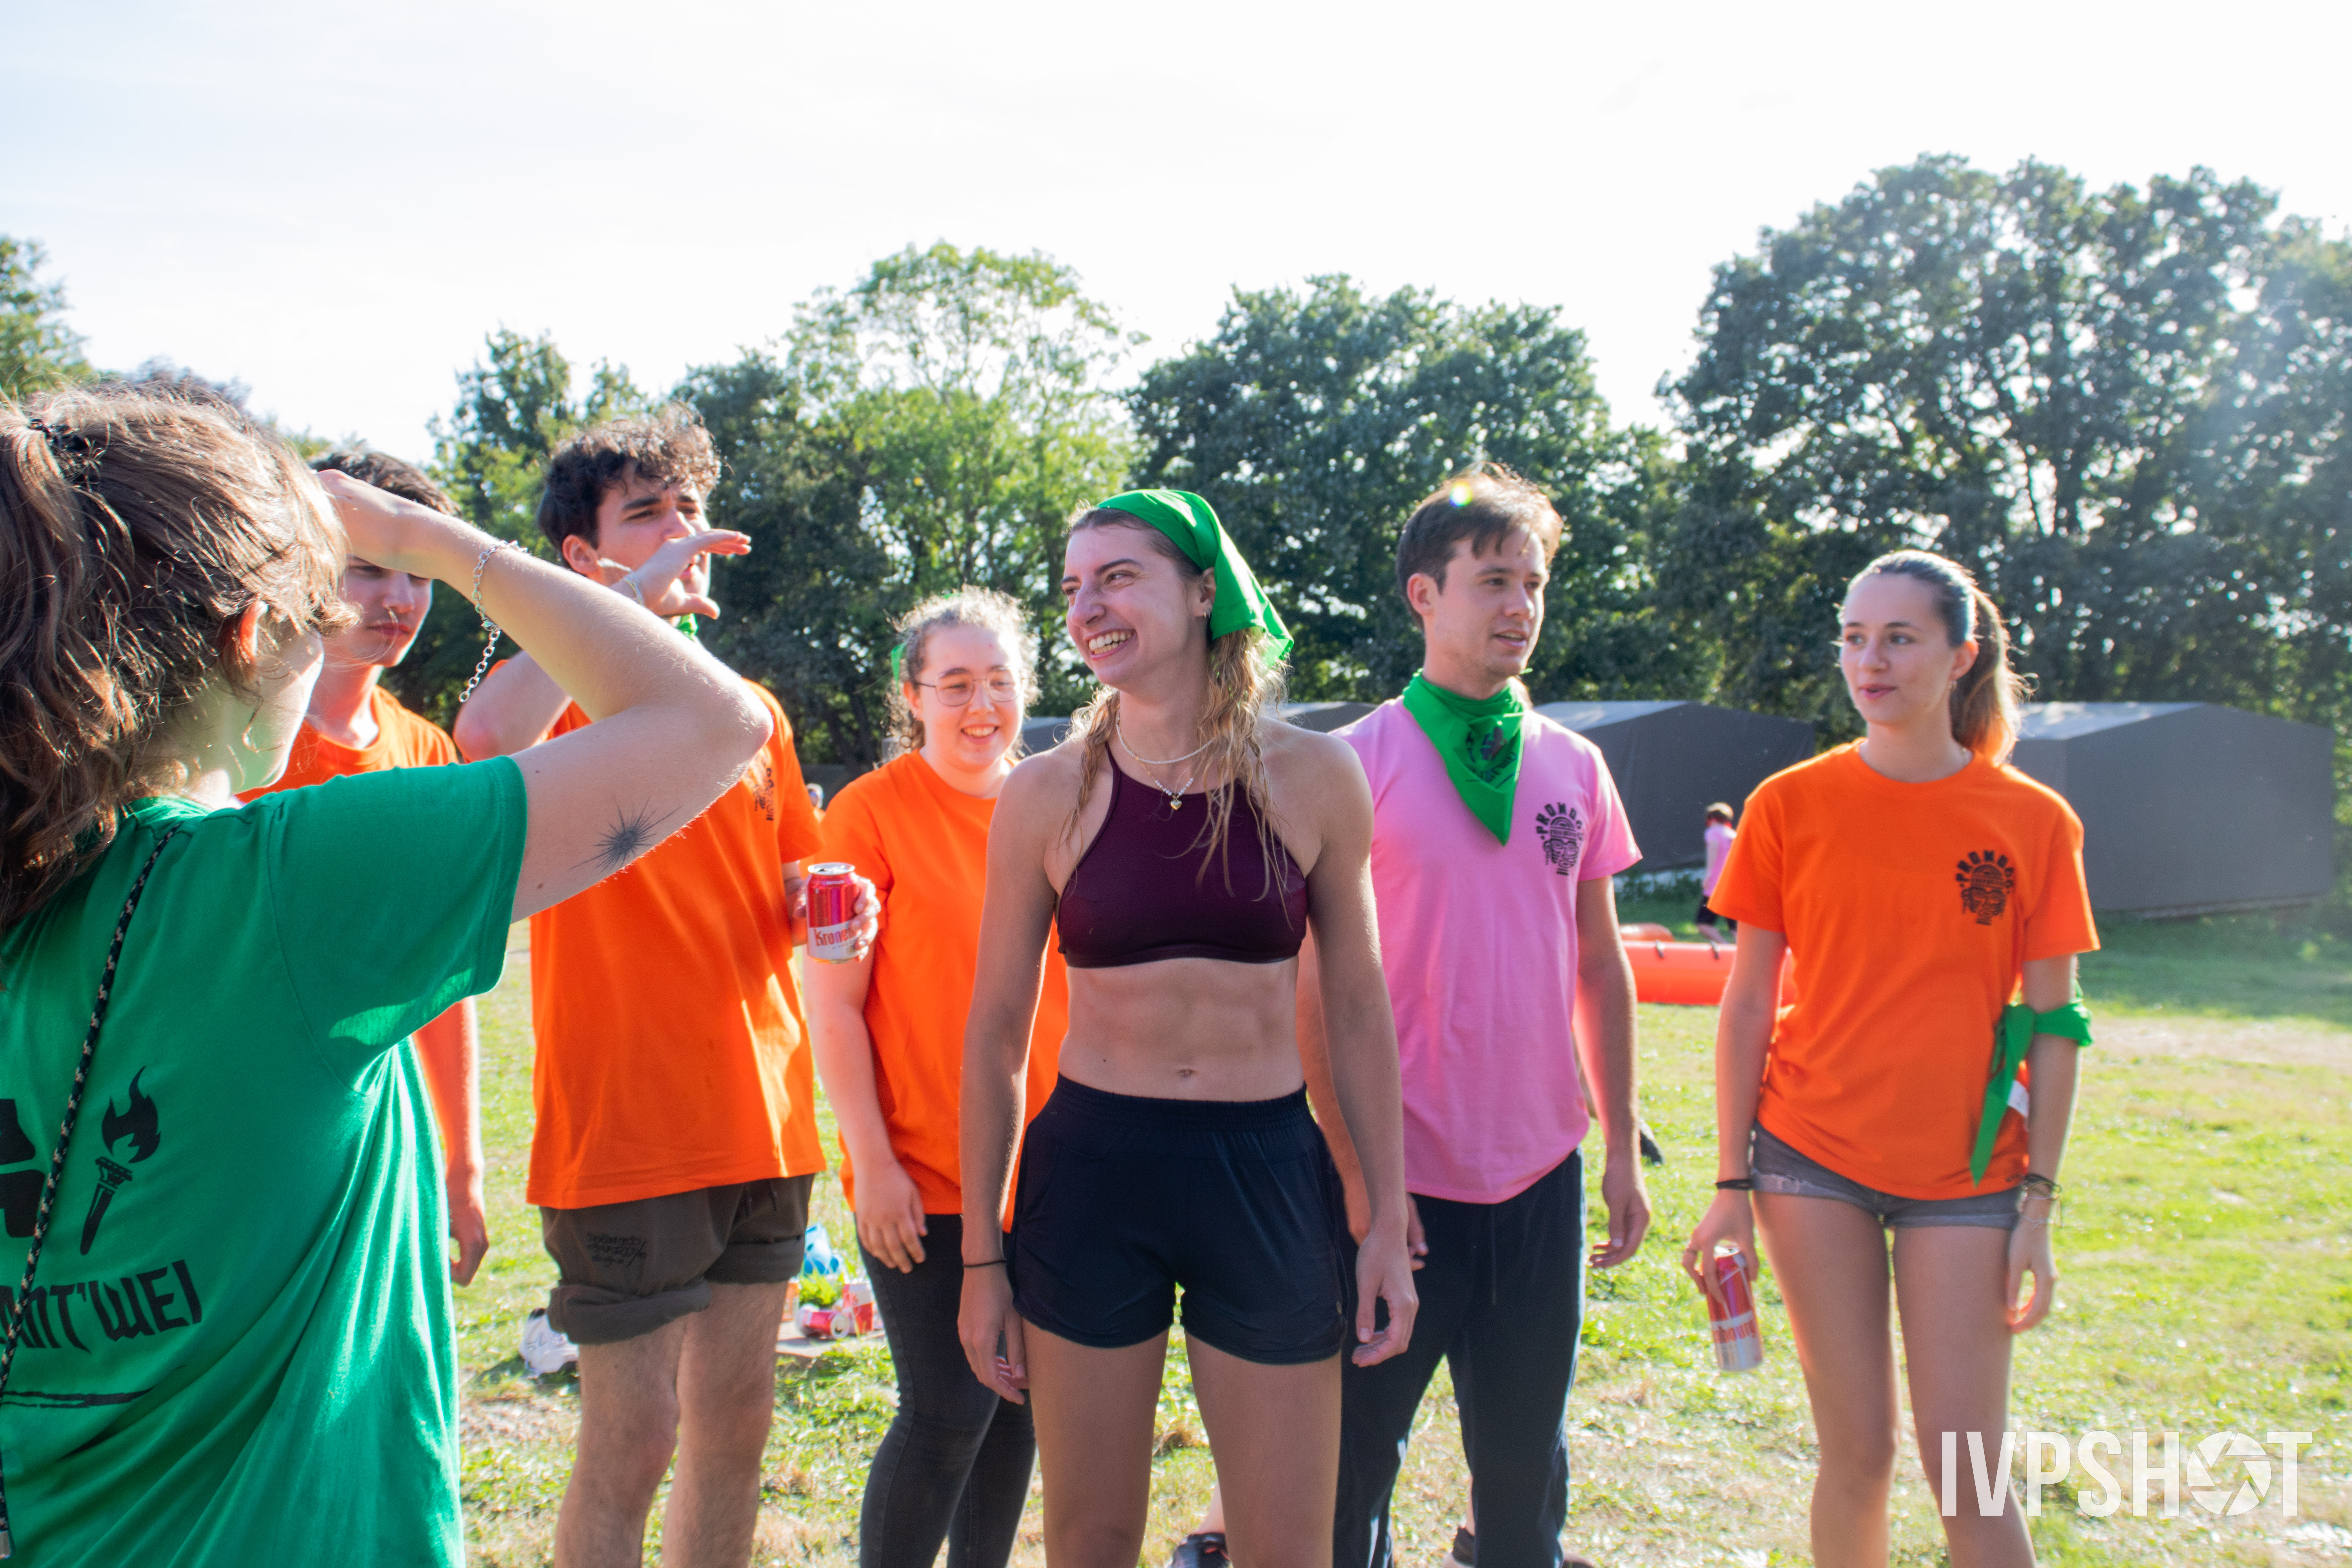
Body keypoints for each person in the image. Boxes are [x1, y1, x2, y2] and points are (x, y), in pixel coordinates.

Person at [0, 384, 776, 1565]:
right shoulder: (287, 887)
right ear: (251, 635)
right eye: (318, 603)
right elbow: (709, 722)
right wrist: (437, 541)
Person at [958, 490, 1419, 1568]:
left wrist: (1386, 1217)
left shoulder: (1314, 776)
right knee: (1091, 1537)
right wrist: (982, 1256)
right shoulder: (1045, 793)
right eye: (1073, 587)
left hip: (1264, 1168)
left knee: (1288, 1547)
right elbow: (994, 1034)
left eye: (1118, 577)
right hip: (1093, 1173)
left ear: (1205, 591)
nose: (1087, 606)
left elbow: (1358, 1009)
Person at [452, 410, 845, 1568]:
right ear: (581, 556)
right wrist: (625, 606)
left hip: (765, 1120)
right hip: (627, 1128)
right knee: (632, 1441)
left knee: (736, 1429)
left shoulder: (752, 711)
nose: (685, 535)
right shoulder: (565, 698)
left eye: (691, 510)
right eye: (648, 516)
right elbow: (484, 737)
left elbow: (792, 882)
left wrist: (831, 902)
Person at [1684, 549, 2098, 1568]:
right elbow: (1748, 1004)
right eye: (1855, 638)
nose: (1870, 661)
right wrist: (1730, 1183)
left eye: (1899, 639)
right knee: (1859, 1452)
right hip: (1807, 1159)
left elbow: (2056, 1023)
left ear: (1960, 657)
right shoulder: (1788, 804)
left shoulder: (2035, 821)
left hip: (1969, 1177)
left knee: (1967, 1470)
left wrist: (2039, 1204)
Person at [1307, 466, 1651, 1568]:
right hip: (1398, 1183)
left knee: (1522, 1464)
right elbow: (1309, 993)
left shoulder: (1574, 764)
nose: (1520, 606)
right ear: (1424, 594)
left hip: (1540, 1174)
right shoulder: (1352, 763)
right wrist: (1362, 1179)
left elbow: (1600, 964)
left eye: (1535, 584)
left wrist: (1619, 1148)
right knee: (1353, 1464)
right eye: (1494, 579)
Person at [808, 589, 1066, 1568]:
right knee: (951, 1404)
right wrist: (873, 1165)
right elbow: (833, 1006)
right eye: (955, 684)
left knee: (1021, 1399)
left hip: (1052, 1170)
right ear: (911, 696)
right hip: (925, 1174)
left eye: (999, 681)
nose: (981, 705)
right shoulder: (867, 815)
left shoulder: (1060, 800)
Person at [238, 448, 491, 1285]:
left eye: (420, 573)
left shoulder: (429, 750)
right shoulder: (227, 743)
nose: (401, 600)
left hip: (390, 1138)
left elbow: (442, 979)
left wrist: (463, 1160)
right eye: (370, 569)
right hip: (243, 1138)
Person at [1695, 802, 1737, 936]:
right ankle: (1739, 947)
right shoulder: (1733, 834)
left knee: (1703, 923)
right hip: (1733, 885)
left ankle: (1724, 944)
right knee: (1735, 927)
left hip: (1715, 885)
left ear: (1711, 819)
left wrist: (1708, 874)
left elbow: (1714, 848)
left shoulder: (1712, 832)